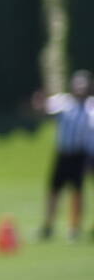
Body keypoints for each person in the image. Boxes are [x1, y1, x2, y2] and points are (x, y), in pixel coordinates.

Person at [38, 70, 92, 241]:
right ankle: (48, 225)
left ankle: (74, 227)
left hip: (80, 155)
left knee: (77, 193)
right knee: (54, 190)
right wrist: (41, 101)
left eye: (83, 87)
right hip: (63, 154)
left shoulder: (90, 107)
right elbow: (46, 108)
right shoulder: (64, 102)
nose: (80, 90)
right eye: (78, 87)